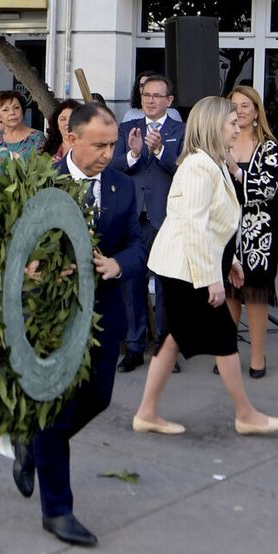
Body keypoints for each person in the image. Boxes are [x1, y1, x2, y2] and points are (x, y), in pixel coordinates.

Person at [10, 103, 144, 546]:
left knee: (98, 400)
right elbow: (8, 236)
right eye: (100, 145)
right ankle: (58, 510)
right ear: (72, 139)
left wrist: (118, 265)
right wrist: (29, 265)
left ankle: (33, 442)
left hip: (104, 315)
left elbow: (138, 244)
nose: (109, 153)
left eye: (114, 144)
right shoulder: (38, 180)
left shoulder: (122, 186)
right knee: (54, 409)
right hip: (49, 319)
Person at [131, 96, 278, 437]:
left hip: (187, 266)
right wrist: (212, 278)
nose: (237, 127)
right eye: (232, 123)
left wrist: (228, 261)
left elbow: (211, 224)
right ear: (214, 127)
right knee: (221, 337)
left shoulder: (210, 163)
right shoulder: (201, 165)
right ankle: (245, 413)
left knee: (174, 338)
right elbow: (194, 225)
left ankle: (147, 412)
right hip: (187, 269)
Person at [111, 74, 185, 371]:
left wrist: (159, 151)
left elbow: (183, 168)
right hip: (133, 218)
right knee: (132, 283)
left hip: (165, 218)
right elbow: (112, 167)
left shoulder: (181, 130)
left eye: (157, 96)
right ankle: (134, 346)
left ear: (169, 101)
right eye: (146, 95)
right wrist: (133, 153)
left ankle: (166, 350)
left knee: (167, 286)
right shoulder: (127, 128)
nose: (150, 100)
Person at [226, 86, 278, 378]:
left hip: (260, 230)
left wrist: (236, 171)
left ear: (257, 111)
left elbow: (267, 188)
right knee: (230, 293)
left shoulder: (269, 146)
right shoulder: (223, 141)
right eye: (234, 105)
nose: (240, 111)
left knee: (255, 294)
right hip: (228, 228)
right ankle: (226, 354)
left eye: (246, 105)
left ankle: (257, 357)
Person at [0, 89, 44, 165]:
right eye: (5, 110)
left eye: (16, 108)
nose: (12, 112)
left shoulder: (37, 138)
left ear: (23, 111)